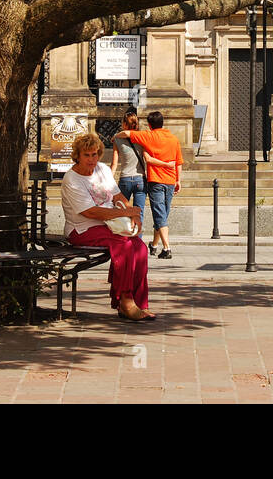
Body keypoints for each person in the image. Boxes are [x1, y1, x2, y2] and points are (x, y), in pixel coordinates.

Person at [60, 131, 153, 321]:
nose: (92, 159)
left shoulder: (102, 169)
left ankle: (139, 302)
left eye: (95, 154)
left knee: (141, 248)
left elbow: (117, 196)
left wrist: (134, 215)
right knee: (125, 246)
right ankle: (125, 300)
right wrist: (127, 213)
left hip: (110, 225)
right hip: (82, 228)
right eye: (87, 155)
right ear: (77, 155)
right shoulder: (72, 179)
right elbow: (91, 212)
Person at [115, 110, 183, 259]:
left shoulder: (148, 136)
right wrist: (179, 180)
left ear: (150, 125)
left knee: (160, 215)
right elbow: (178, 162)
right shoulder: (173, 138)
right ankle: (154, 245)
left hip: (156, 180)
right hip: (171, 180)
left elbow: (126, 133)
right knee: (163, 214)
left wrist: (115, 136)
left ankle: (167, 248)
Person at [110, 109, 146, 216]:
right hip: (140, 179)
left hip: (125, 178)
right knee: (139, 213)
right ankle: (138, 232)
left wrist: (109, 181)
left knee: (121, 211)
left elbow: (114, 163)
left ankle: (124, 232)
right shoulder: (142, 137)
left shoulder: (117, 140)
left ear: (125, 124)